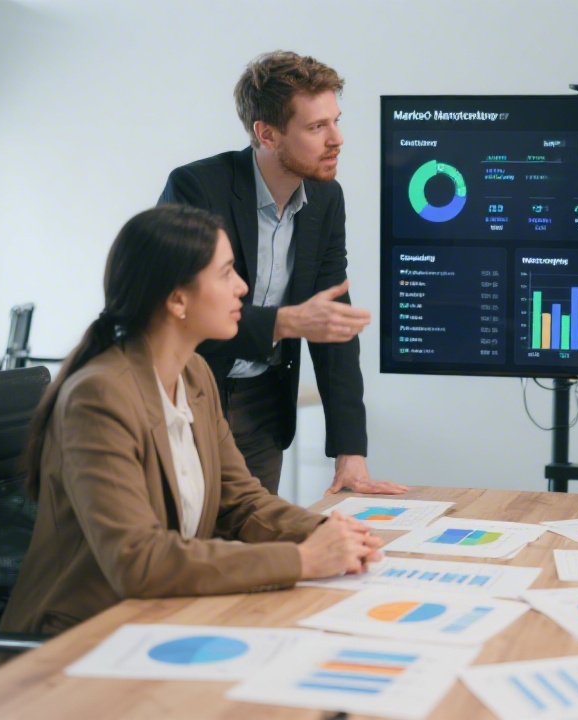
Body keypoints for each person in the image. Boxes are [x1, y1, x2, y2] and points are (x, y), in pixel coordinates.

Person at [0, 205, 385, 638]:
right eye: (225, 274)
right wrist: (304, 560)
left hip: (163, 616)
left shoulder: (194, 374)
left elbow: (241, 503)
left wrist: (328, 532)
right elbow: (137, 560)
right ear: (177, 299)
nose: (242, 287)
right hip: (83, 635)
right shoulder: (99, 396)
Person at [159, 51, 405, 497]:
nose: (337, 139)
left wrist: (350, 451)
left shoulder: (327, 199)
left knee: (255, 545)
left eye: (336, 120)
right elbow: (183, 312)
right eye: (316, 127)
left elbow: (332, 325)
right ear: (266, 133)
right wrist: (287, 322)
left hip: (264, 408)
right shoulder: (196, 189)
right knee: (192, 549)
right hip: (190, 399)